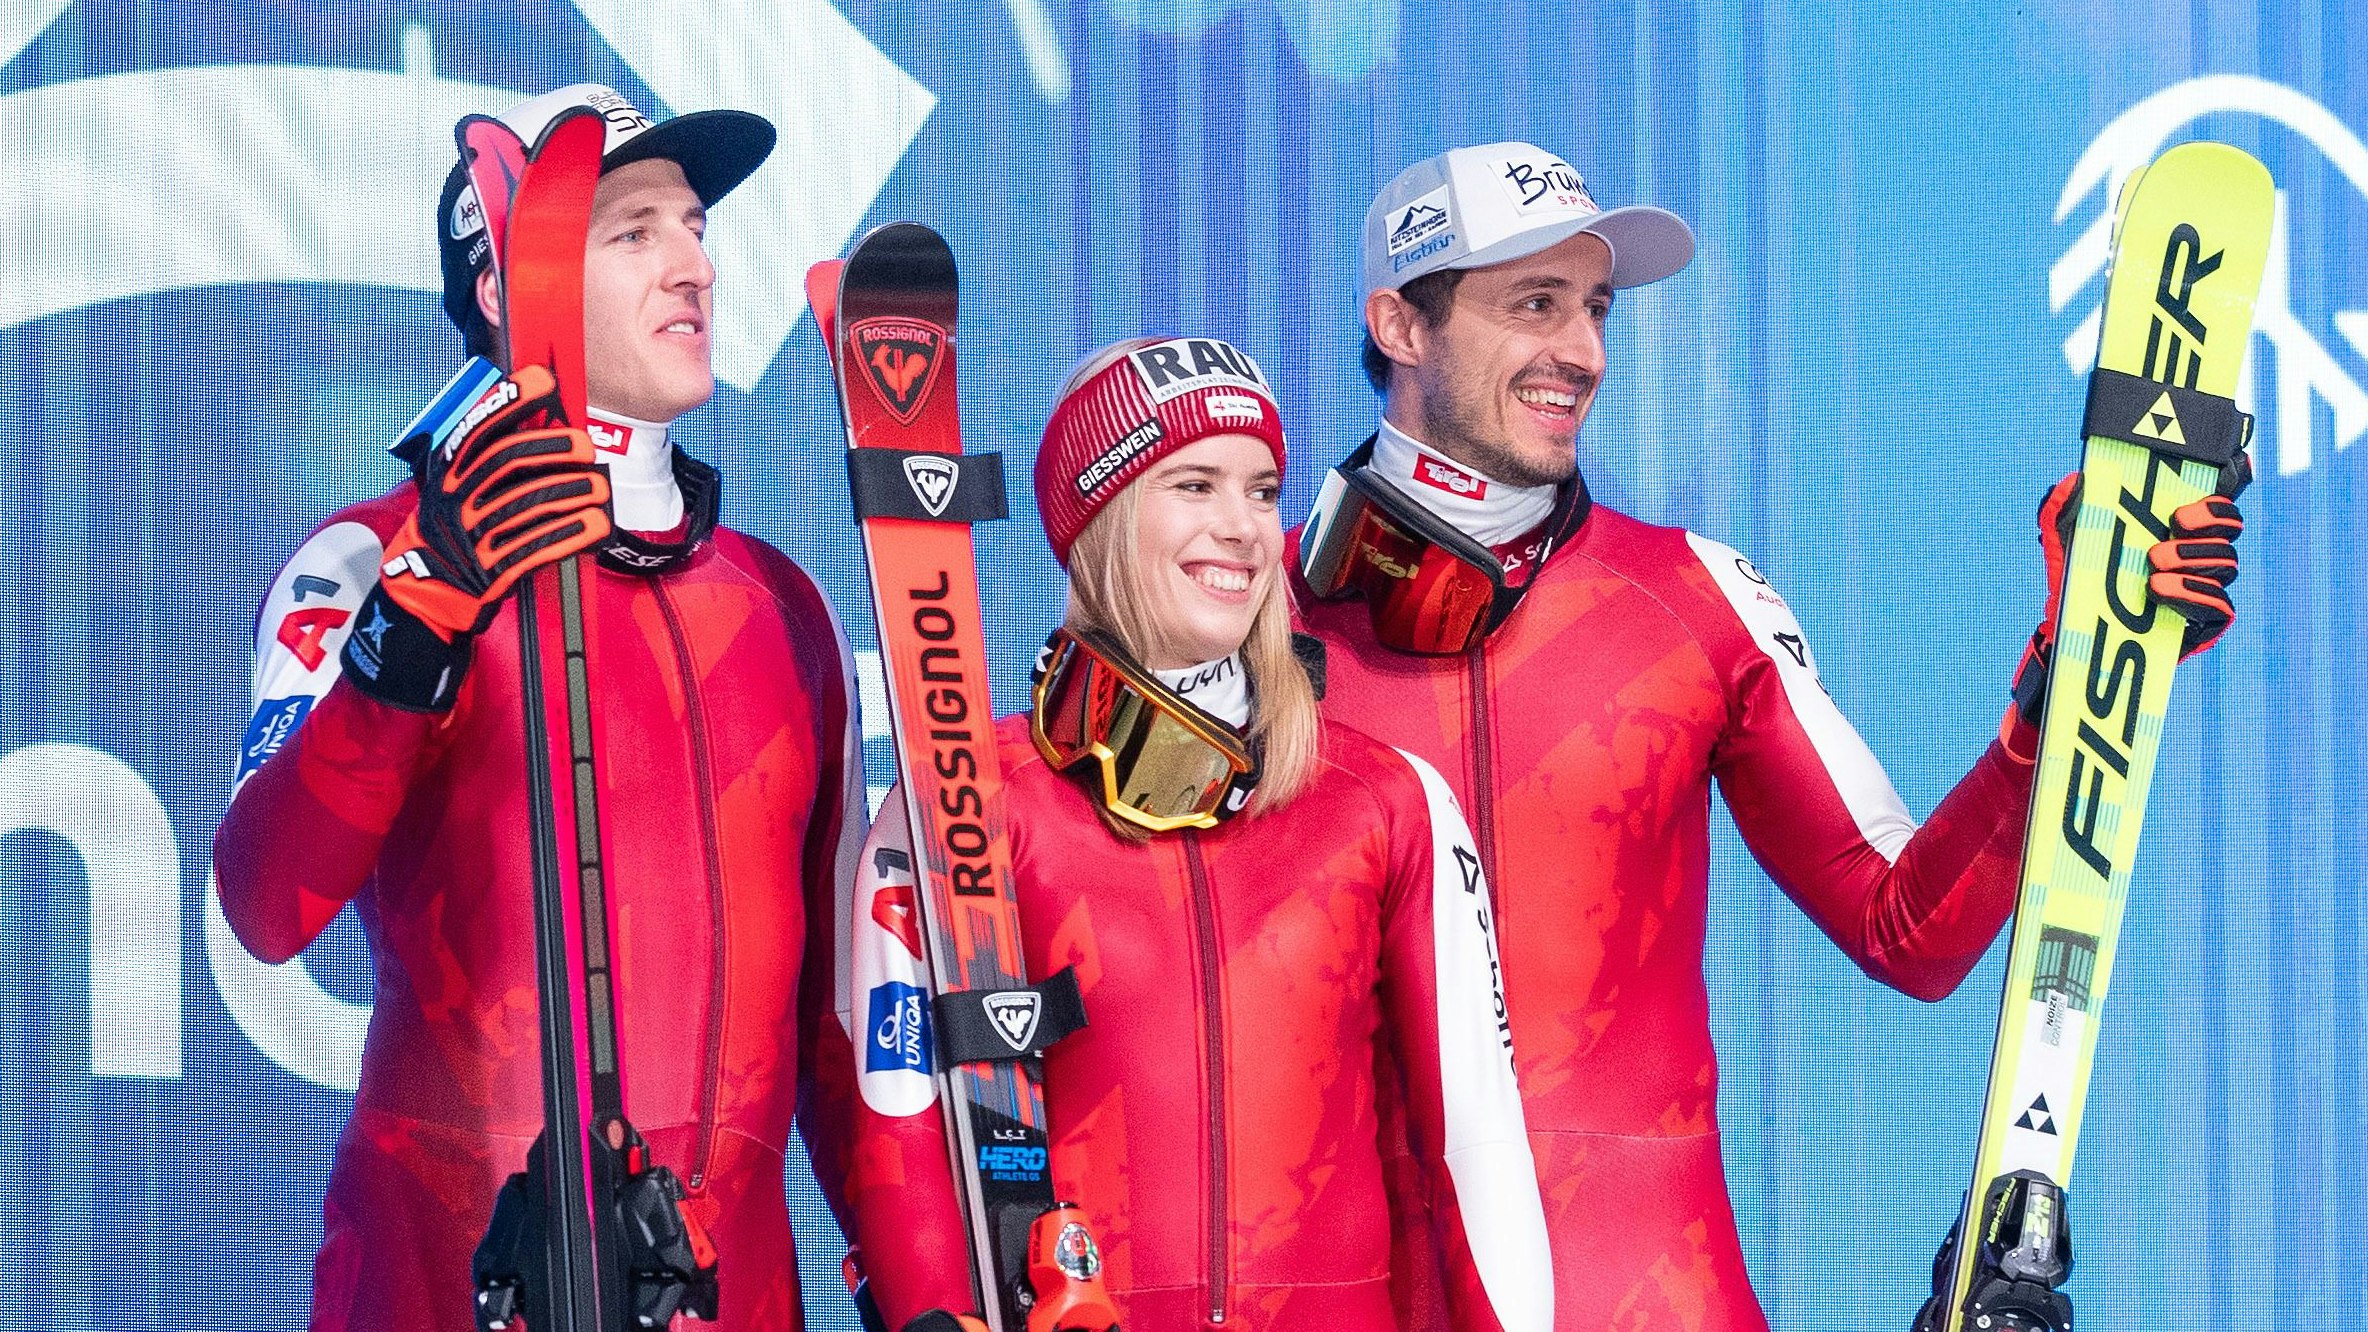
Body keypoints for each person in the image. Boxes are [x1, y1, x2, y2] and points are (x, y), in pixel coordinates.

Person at [1291, 143, 2248, 1331]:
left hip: (1652, 1296)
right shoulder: (1251, 625)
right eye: (1532, 304)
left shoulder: (1691, 599)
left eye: (1594, 308)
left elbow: (1910, 930)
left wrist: (2075, 681)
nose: (1582, 353)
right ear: (1400, 323)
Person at [213, 84, 864, 1332]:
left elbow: (833, 1037)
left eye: (694, 225)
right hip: (445, 1282)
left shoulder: (783, 603)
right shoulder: (361, 562)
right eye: (633, 232)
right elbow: (264, 904)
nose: (693, 265)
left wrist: (923, 1289)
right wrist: (418, 622)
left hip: (736, 1296)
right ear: (508, 290)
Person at [839, 337, 1554, 1332]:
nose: (1242, 528)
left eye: (1261, 490)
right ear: (1101, 517)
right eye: (1193, 484)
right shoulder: (964, 796)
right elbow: (896, 1107)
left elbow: (1476, 1144)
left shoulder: (1385, 802)